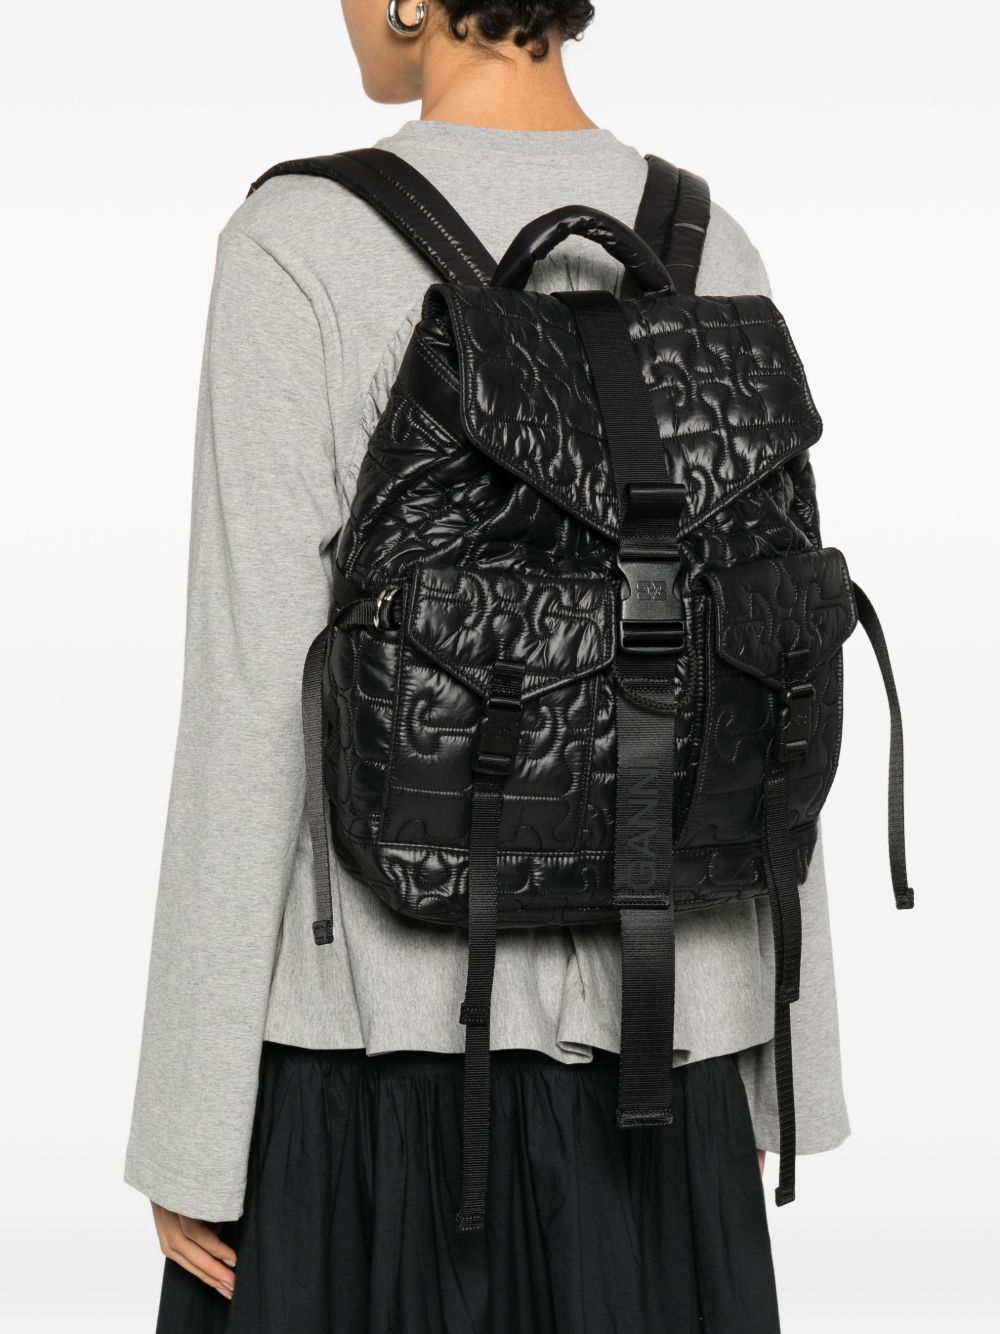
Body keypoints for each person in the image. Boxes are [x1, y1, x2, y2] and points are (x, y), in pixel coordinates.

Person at [127, 2, 849, 1330]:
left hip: (379, 1077)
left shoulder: (299, 246)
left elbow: (249, 700)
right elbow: (768, 678)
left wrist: (191, 1128)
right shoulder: (711, 245)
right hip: (676, 1057)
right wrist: (778, 1073)